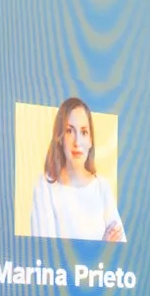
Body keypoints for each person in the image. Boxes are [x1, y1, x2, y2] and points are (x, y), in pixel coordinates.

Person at [27, 97, 124, 241]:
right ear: (59, 138)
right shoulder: (45, 186)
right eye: (69, 131)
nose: (77, 142)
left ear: (91, 140)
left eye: (84, 132)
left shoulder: (102, 187)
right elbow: (46, 254)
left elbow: (120, 251)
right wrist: (101, 247)